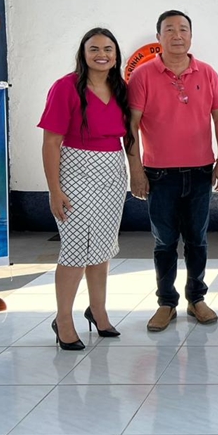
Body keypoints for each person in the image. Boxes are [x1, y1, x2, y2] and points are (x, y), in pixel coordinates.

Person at [128, 10, 218, 332]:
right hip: (159, 175)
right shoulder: (143, 75)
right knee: (164, 243)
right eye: (169, 30)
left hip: (201, 171)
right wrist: (136, 170)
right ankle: (166, 302)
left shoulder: (207, 72)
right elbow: (130, 125)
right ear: (158, 37)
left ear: (191, 35)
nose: (177, 35)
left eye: (183, 29)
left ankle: (196, 298)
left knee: (197, 240)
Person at [39, 27, 131, 350]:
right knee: (76, 247)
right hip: (75, 170)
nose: (101, 54)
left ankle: (98, 310)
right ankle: (63, 318)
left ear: (116, 55)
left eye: (108, 48)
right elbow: (51, 142)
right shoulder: (66, 87)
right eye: (94, 49)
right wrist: (54, 190)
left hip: (111, 172)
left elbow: (129, 137)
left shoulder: (121, 88)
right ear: (83, 53)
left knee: (102, 246)